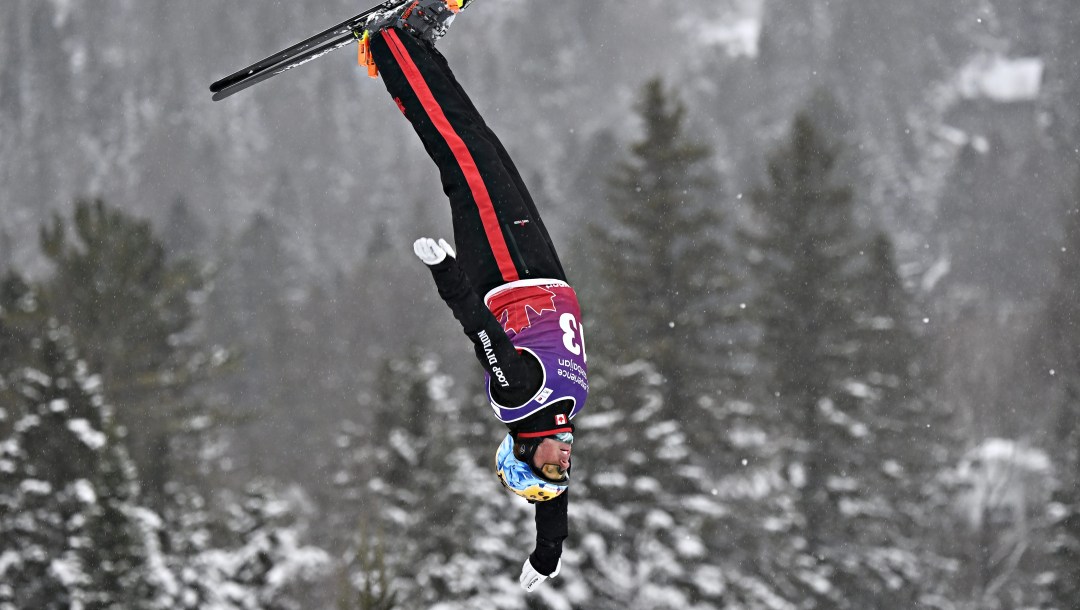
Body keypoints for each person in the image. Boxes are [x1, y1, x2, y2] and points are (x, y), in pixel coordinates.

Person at [360, 0, 589, 593]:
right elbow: (554, 502)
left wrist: (446, 272)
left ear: (526, 451)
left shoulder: (520, 396)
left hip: (504, 269)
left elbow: (479, 328)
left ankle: (391, 45)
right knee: (478, 142)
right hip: (539, 265)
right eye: (563, 473)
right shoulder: (559, 419)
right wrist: (548, 551)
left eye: (551, 468)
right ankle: (418, 46)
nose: (563, 465)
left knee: (460, 152)